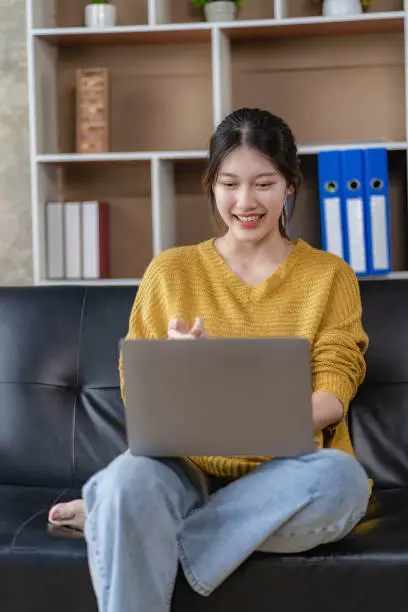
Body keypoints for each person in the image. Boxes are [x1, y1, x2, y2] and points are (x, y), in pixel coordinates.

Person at [48, 108, 371, 612]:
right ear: (211, 186)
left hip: (286, 476)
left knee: (343, 482)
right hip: (182, 470)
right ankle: (125, 509)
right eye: (230, 184)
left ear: (289, 186)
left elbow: (333, 391)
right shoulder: (170, 271)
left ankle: (121, 522)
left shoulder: (329, 276)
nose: (246, 202)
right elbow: (141, 397)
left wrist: (242, 413)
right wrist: (181, 373)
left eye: (264, 183)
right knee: (125, 481)